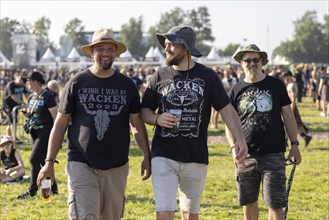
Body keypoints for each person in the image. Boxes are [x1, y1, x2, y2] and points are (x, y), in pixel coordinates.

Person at [37, 28, 151, 219]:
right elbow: (61, 122)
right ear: (91, 52)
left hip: (117, 166)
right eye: (100, 49)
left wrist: (147, 155)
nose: (105, 53)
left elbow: (136, 125)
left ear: (116, 52)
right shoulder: (77, 82)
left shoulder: (127, 85)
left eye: (110, 49)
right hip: (82, 163)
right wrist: (49, 162)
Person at [140, 26, 248, 220]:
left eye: (172, 44)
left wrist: (240, 138)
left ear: (186, 47)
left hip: (195, 155)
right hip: (163, 154)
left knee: (190, 215)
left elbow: (226, 109)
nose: (167, 48)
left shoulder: (207, 76)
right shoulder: (159, 75)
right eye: (166, 44)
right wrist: (157, 118)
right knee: (164, 212)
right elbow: (144, 111)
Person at [226, 44, 302, 220]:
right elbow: (229, 124)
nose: (252, 63)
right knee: (248, 203)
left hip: (273, 154)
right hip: (245, 155)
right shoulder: (236, 90)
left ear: (262, 62)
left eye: (255, 60)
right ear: (241, 64)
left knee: (275, 204)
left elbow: (288, 116)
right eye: (247, 60)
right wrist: (233, 148)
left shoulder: (276, 84)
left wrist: (295, 145)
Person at [17, 71, 59, 199]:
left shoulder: (47, 96)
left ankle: (32, 191)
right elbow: (34, 113)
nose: (26, 83)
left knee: (33, 160)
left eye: (28, 81)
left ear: (36, 82)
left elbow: (55, 116)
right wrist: (28, 115)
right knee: (41, 161)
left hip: (45, 132)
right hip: (34, 132)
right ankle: (53, 189)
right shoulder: (31, 97)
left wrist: (57, 135)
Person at [282, 70, 312, 147]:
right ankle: (305, 137)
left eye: (285, 77)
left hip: (292, 107)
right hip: (290, 107)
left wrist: (291, 109)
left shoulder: (292, 85)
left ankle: (285, 142)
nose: (284, 79)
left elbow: (293, 98)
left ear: (289, 76)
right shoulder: (289, 85)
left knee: (288, 124)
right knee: (295, 125)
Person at [1, 72, 29, 140]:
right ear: (19, 79)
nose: (22, 85)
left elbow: (26, 95)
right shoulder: (11, 85)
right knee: (13, 121)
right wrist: (23, 103)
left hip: (16, 105)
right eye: (22, 83)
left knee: (11, 122)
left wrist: (30, 102)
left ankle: (8, 138)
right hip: (8, 105)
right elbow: (13, 97)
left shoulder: (23, 86)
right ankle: (14, 139)